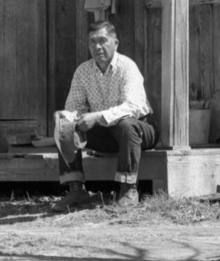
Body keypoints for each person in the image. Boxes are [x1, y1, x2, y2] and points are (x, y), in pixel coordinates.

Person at [57, 20, 155, 207]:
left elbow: (134, 106)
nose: (97, 47)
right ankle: (76, 190)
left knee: (127, 124)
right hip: (105, 135)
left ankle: (128, 189)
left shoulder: (127, 67)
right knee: (65, 124)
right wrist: (72, 118)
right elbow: (73, 107)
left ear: (115, 43)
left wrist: (97, 116)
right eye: (92, 42)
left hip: (138, 133)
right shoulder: (83, 71)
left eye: (103, 41)